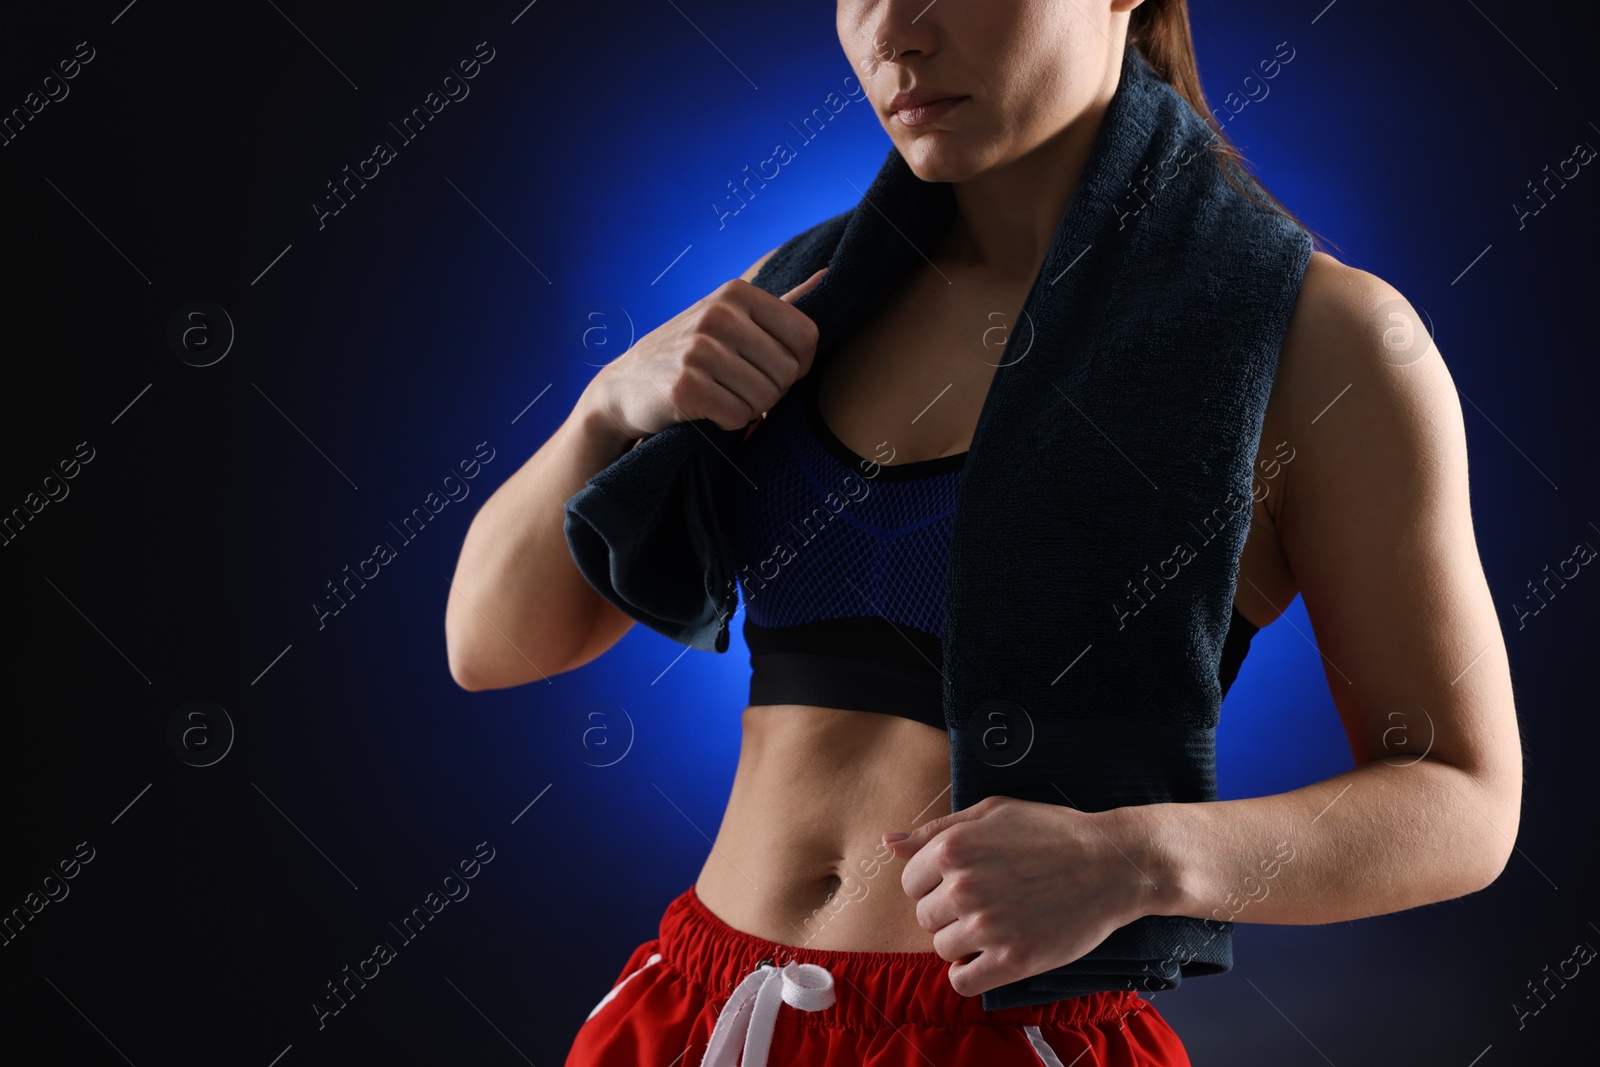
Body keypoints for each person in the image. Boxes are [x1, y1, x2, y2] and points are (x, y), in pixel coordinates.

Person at [445, 1, 1523, 1063]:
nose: (893, 29)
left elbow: (1466, 802)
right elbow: (491, 645)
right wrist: (605, 404)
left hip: (1010, 1037)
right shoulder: (810, 292)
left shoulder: (1317, 339)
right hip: (703, 1010)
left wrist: (1141, 857)